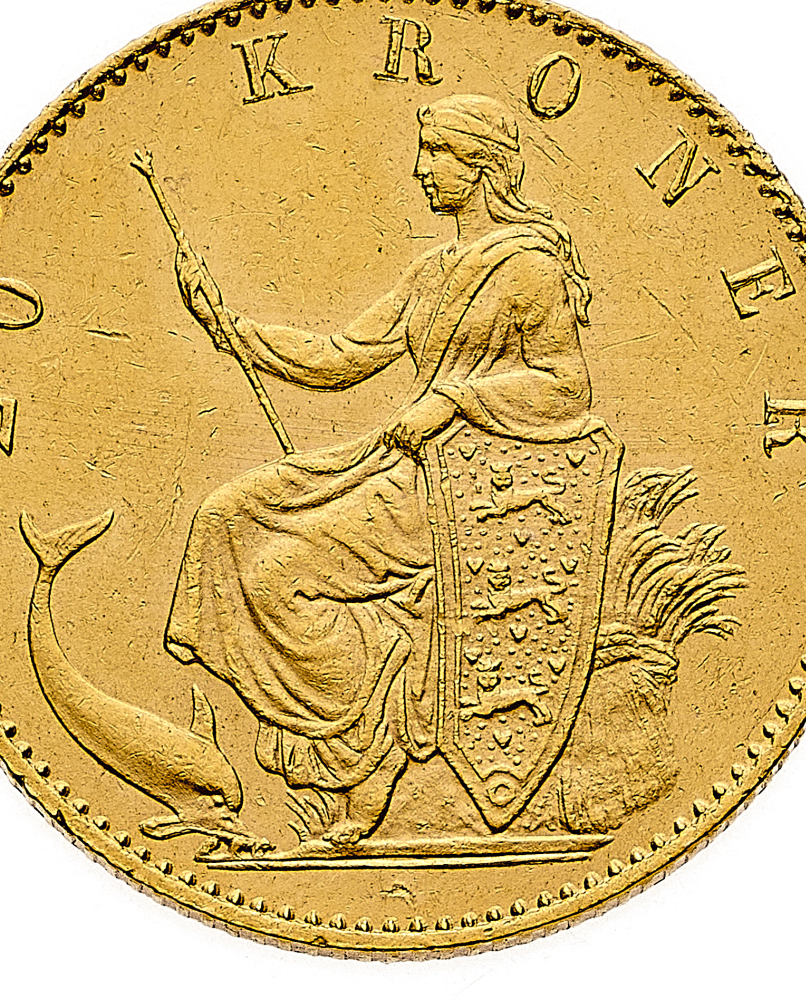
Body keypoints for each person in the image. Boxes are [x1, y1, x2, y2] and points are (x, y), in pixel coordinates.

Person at [164, 94, 594, 843]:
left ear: (480, 166)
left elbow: (567, 387)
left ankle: (376, 736)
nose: (421, 170)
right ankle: (376, 693)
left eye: (436, 155)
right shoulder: (432, 272)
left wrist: (454, 401)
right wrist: (229, 327)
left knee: (277, 578)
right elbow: (342, 356)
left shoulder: (530, 269)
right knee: (228, 512)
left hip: (469, 485)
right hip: (399, 461)